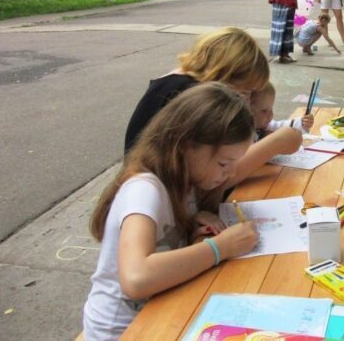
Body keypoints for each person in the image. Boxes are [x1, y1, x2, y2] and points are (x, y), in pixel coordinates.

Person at [83, 83, 260, 340]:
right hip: (123, 332)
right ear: (187, 145)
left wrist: (191, 224)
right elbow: (136, 278)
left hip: (160, 312)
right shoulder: (145, 190)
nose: (230, 172)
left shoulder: (185, 182)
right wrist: (220, 248)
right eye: (224, 163)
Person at [123, 27, 302, 187]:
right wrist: (276, 143)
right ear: (224, 76)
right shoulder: (191, 97)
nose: (247, 103)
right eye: (246, 93)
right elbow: (217, 177)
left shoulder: (175, 83)